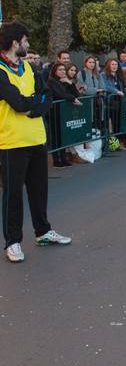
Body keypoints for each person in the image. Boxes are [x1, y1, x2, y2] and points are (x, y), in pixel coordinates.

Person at [0, 22, 71, 262]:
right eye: (25, 41)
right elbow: (17, 102)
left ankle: (43, 232)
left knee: (39, 190)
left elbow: (47, 95)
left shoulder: (28, 68)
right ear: (15, 43)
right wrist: (32, 102)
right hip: (11, 142)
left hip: (36, 138)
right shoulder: (0, 70)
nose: (28, 45)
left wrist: (34, 105)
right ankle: (12, 242)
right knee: (13, 195)